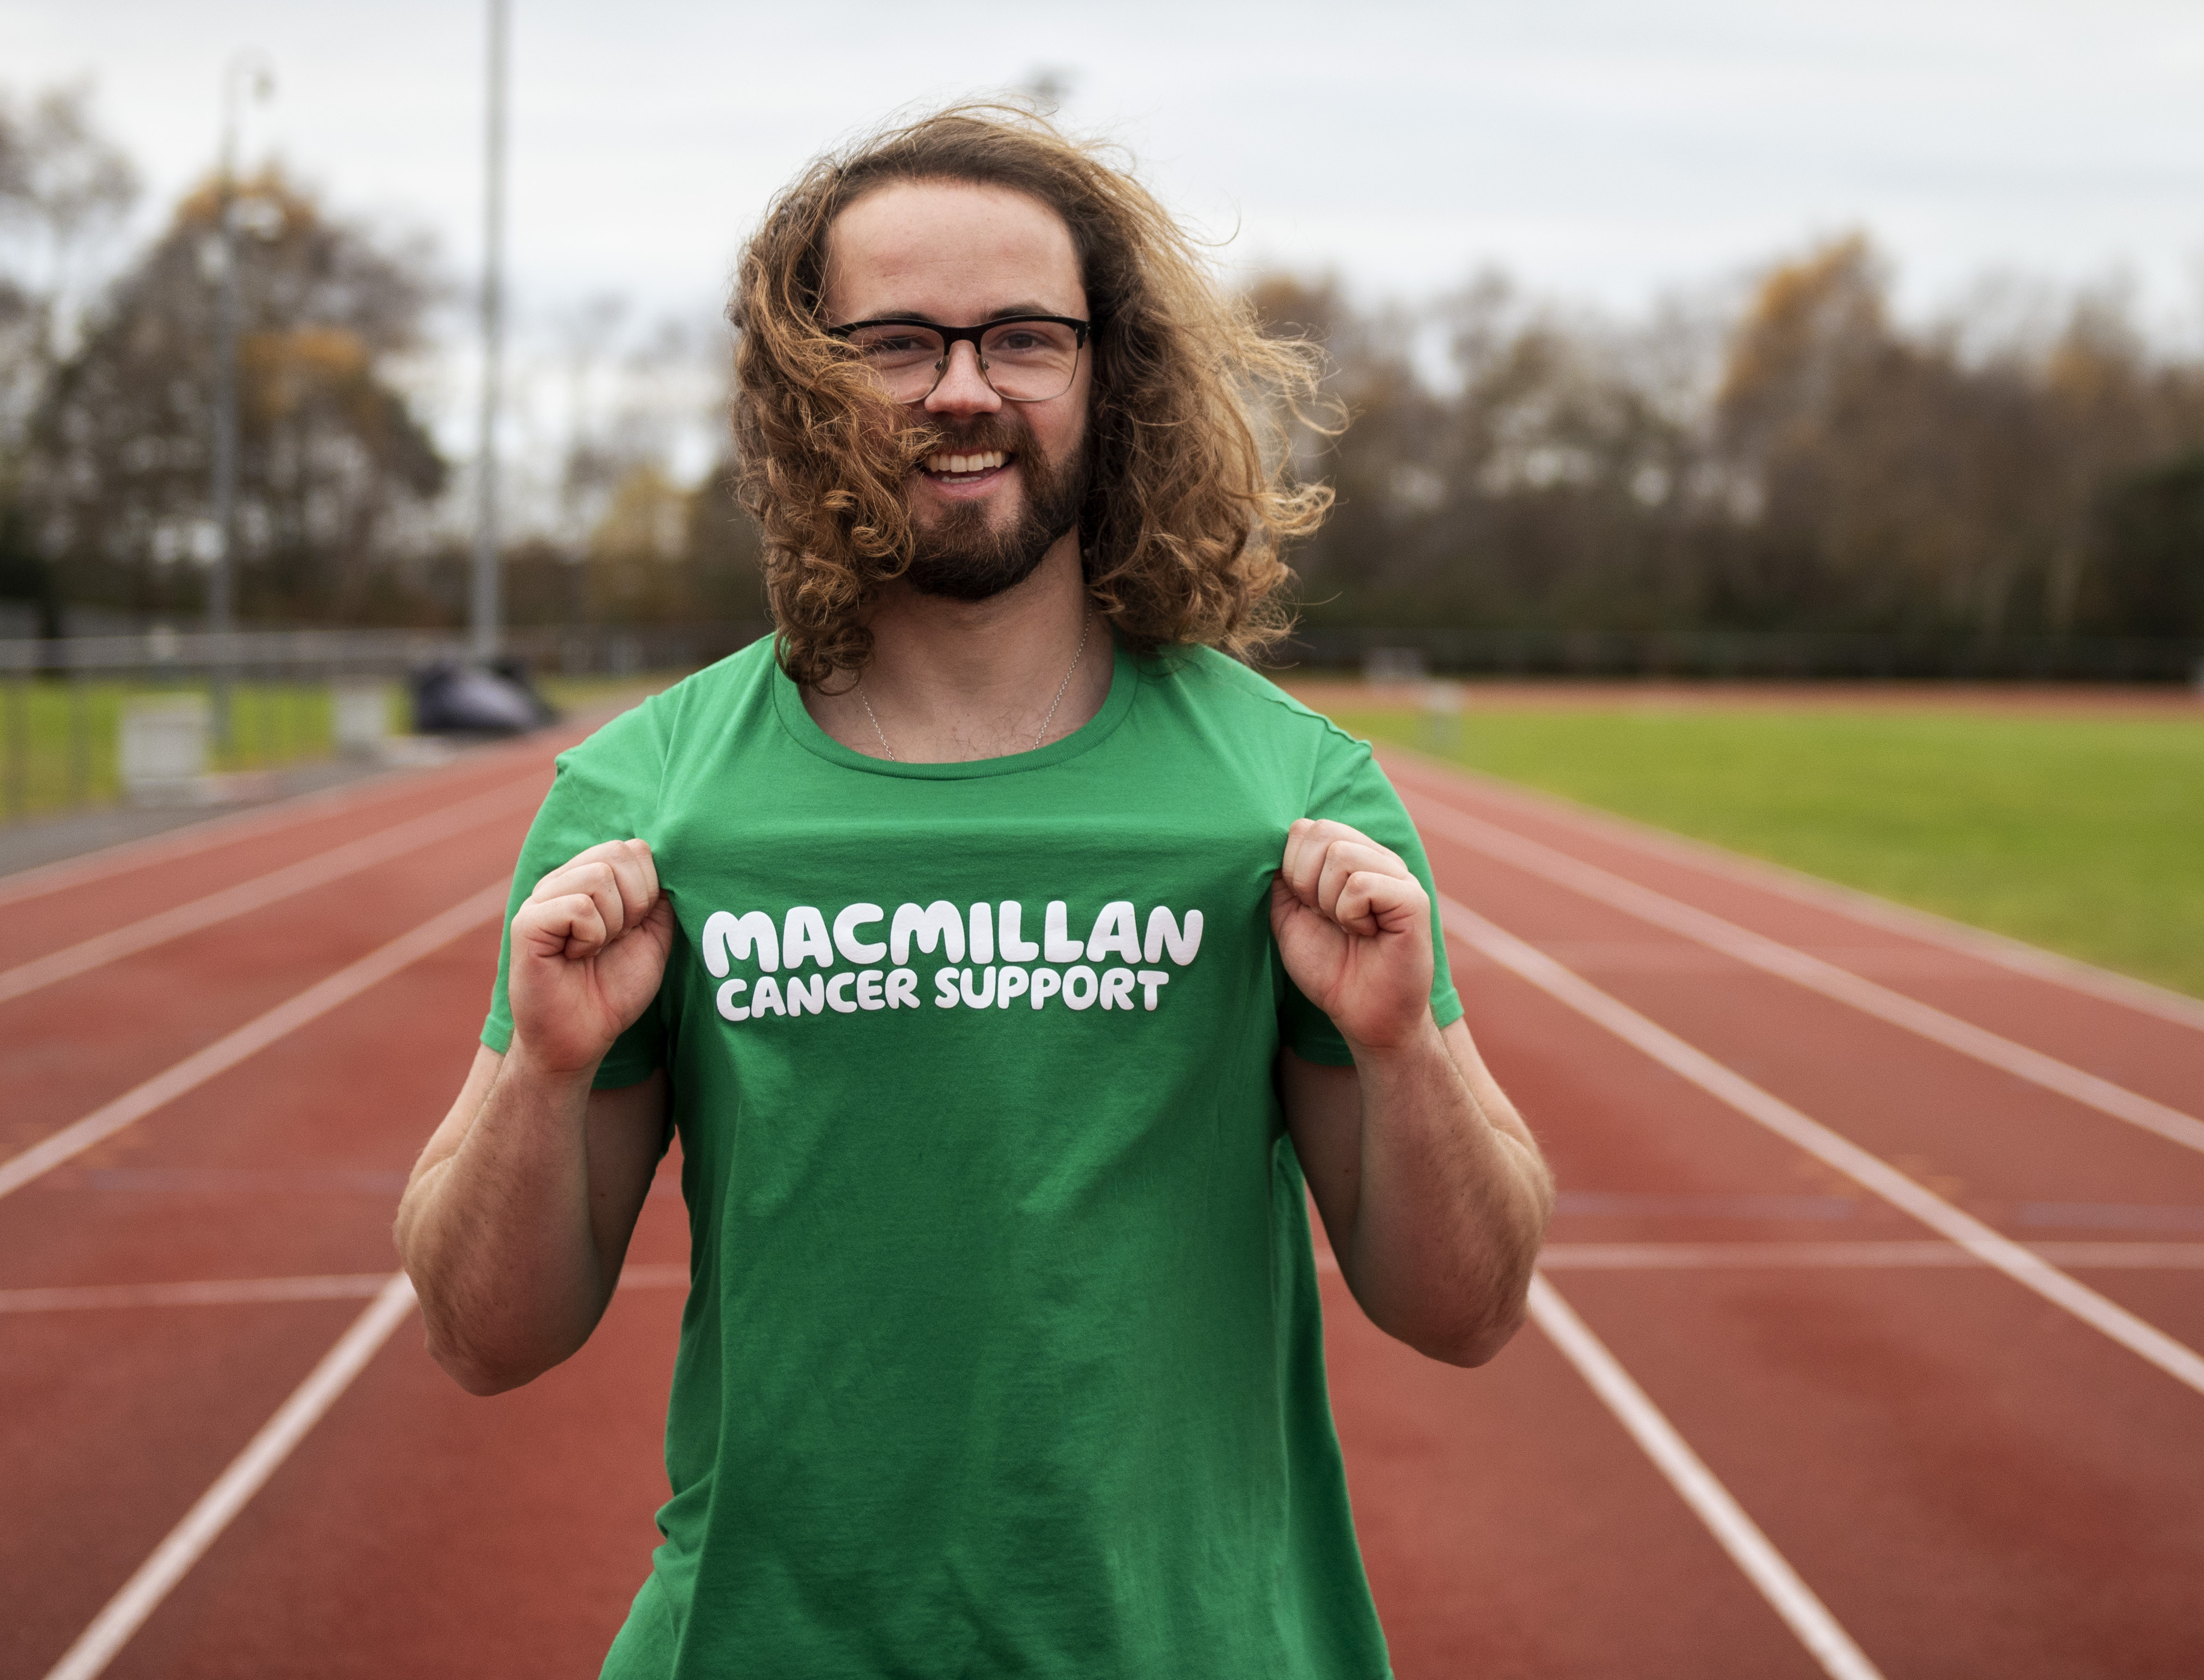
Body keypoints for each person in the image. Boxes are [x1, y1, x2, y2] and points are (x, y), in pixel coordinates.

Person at [395, 104, 1553, 1678]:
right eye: (895, 343)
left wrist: (1405, 1050)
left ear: (1107, 371)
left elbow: (1468, 1306)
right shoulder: (648, 805)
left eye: (1022, 337)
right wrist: (543, 1075)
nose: (961, 389)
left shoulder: (1286, 799)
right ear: (806, 383)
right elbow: (485, 1334)